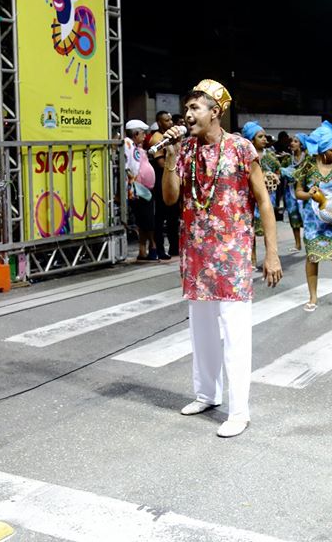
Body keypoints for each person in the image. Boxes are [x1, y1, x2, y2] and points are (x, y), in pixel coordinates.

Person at [160, 79, 282, 438]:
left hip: (232, 258)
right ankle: (207, 394)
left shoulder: (241, 148)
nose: (187, 114)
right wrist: (170, 159)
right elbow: (170, 198)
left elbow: (263, 201)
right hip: (196, 256)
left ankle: (239, 411)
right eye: (186, 108)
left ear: (215, 112)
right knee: (201, 332)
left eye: (194, 108)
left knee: (235, 334)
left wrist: (272, 253)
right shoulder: (185, 149)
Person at [295, 121, 332, 312]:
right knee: (313, 256)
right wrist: (309, 195)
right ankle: (313, 297)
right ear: (322, 151)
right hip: (314, 219)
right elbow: (298, 192)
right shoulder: (308, 166)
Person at [241, 121, 281, 264]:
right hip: (249, 197)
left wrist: (274, 177)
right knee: (249, 228)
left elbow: (278, 171)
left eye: (265, 136)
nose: (264, 139)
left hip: (266, 197)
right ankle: (252, 258)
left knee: (267, 227)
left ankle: (269, 255)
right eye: (260, 137)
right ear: (251, 140)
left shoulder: (270, 156)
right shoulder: (244, 156)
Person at [147, 111, 179, 260]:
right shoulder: (157, 138)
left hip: (173, 178)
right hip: (161, 179)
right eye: (167, 120)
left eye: (171, 119)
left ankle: (174, 247)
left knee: (173, 216)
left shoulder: (172, 136)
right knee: (160, 217)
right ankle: (159, 248)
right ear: (159, 123)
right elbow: (160, 163)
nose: (170, 122)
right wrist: (173, 159)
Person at [124, 119, 157, 260]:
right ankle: (152, 247)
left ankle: (144, 250)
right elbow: (130, 168)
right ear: (136, 134)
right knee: (146, 221)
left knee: (145, 221)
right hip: (138, 190)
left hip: (143, 189)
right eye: (143, 133)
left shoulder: (135, 146)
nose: (145, 136)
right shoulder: (128, 145)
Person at [280, 134, 306, 252]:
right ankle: (297, 244)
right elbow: (280, 172)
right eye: (291, 141)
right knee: (293, 216)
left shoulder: (307, 158)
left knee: (307, 216)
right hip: (290, 191)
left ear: (301, 144)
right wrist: (285, 172)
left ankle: (310, 242)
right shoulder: (287, 159)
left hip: (305, 191)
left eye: (296, 141)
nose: (292, 143)